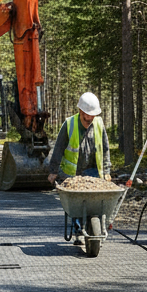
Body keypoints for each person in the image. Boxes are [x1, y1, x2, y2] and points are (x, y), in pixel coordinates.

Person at [48, 92, 112, 242]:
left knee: (94, 203)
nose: (89, 119)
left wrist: (107, 171)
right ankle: (78, 228)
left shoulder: (99, 124)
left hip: (93, 172)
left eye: (92, 117)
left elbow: (105, 148)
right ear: (80, 111)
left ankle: (95, 226)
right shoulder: (69, 124)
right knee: (77, 203)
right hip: (73, 174)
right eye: (86, 116)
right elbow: (58, 148)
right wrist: (53, 171)